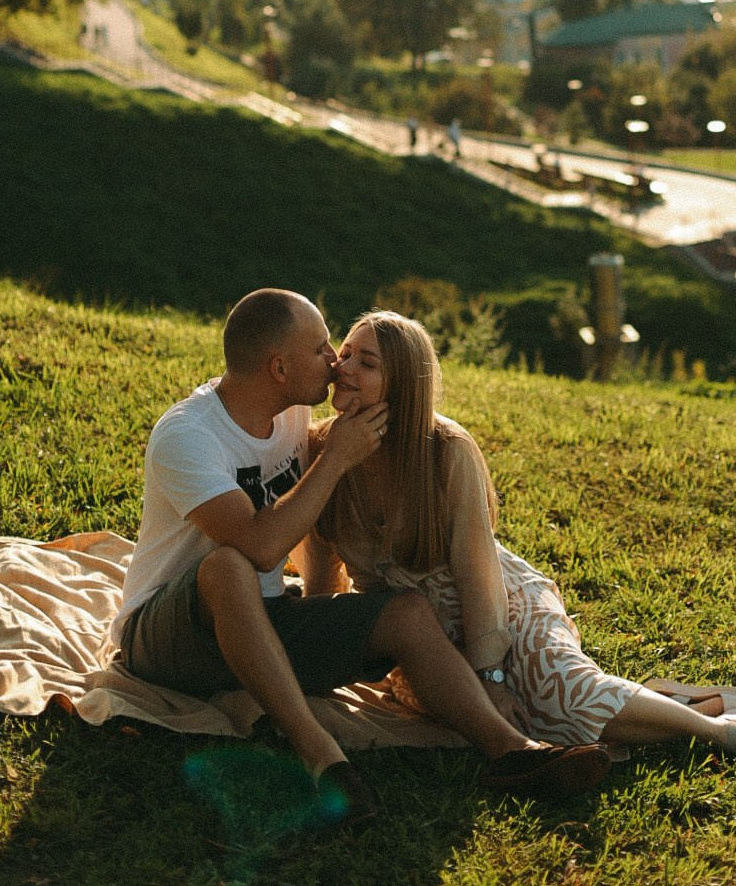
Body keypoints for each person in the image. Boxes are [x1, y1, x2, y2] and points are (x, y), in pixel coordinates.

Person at [113, 289, 612, 823]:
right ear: (278, 367)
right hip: (165, 638)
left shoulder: (292, 415)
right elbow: (259, 548)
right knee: (228, 566)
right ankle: (327, 763)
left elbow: (313, 533)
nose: (335, 361)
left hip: (263, 622)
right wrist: (336, 460)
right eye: (322, 348)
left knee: (406, 609)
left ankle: (513, 752)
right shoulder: (187, 435)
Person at [302, 311, 736, 773]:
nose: (343, 366)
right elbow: (322, 577)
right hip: (419, 638)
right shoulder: (319, 449)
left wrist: (493, 676)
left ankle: (722, 731)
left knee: (561, 693)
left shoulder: (445, 452)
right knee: (510, 724)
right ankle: (668, 702)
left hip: (501, 604)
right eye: (345, 352)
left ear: (403, 387)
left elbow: (478, 576)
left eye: (366, 363)